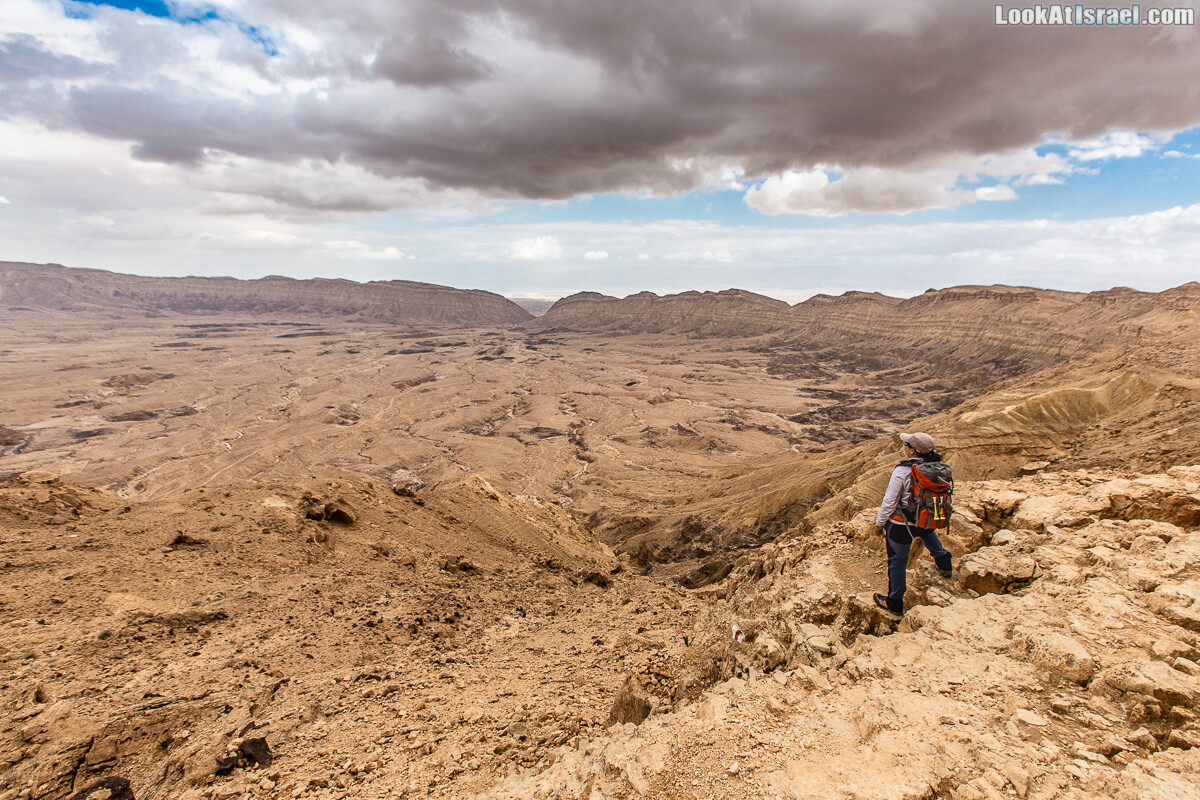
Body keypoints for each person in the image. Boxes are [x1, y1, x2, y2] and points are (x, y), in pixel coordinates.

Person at [873, 432, 953, 616]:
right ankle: (944, 562)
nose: (904, 446)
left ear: (913, 450)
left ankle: (894, 602)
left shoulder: (902, 471)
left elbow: (890, 501)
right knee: (927, 533)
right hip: (926, 519)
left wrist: (880, 524)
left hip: (901, 524)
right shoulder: (937, 469)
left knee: (897, 562)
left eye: (906, 444)